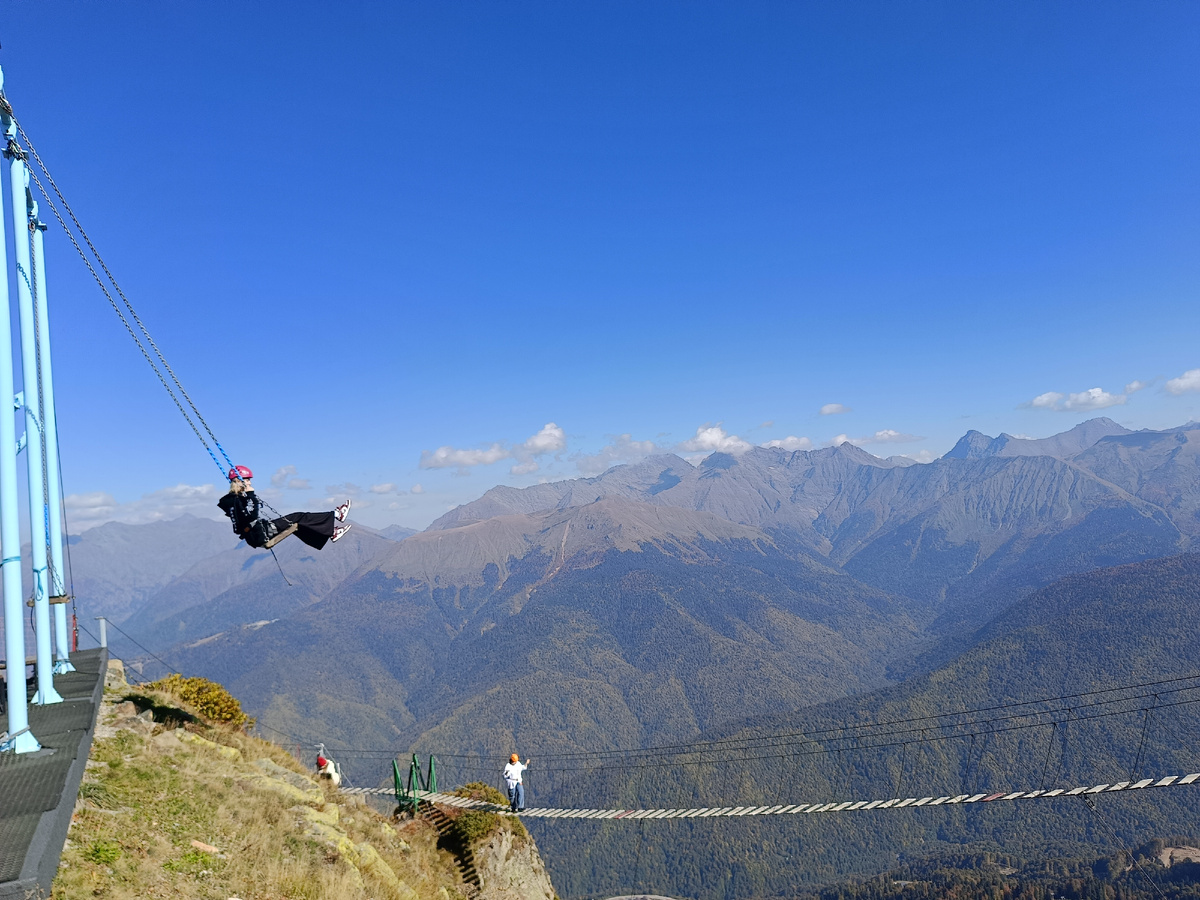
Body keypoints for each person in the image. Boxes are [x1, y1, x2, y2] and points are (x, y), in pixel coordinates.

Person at [217, 466, 351, 550]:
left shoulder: (230, 501)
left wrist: (246, 496)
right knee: (298, 516)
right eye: (247, 480)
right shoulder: (237, 501)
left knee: (298, 524)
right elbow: (251, 514)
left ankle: (332, 532)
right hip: (260, 533)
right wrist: (251, 494)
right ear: (240, 481)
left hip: (255, 535)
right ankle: (336, 514)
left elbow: (243, 517)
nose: (250, 482)